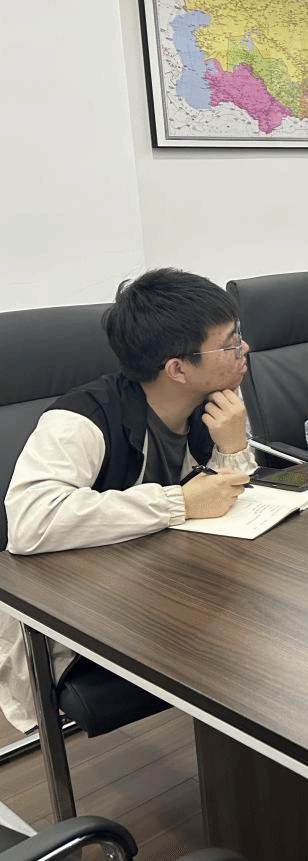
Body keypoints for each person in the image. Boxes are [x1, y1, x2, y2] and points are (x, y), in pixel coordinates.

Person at [2, 268, 258, 731]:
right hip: (86, 610)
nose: (245, 349)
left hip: (173, 584)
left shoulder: (213, 404)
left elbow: (225, 500)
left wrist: (233, 447)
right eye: (229, 344)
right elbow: (30, 523)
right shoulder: (80, 420)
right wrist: (178, 502)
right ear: (177, 369)